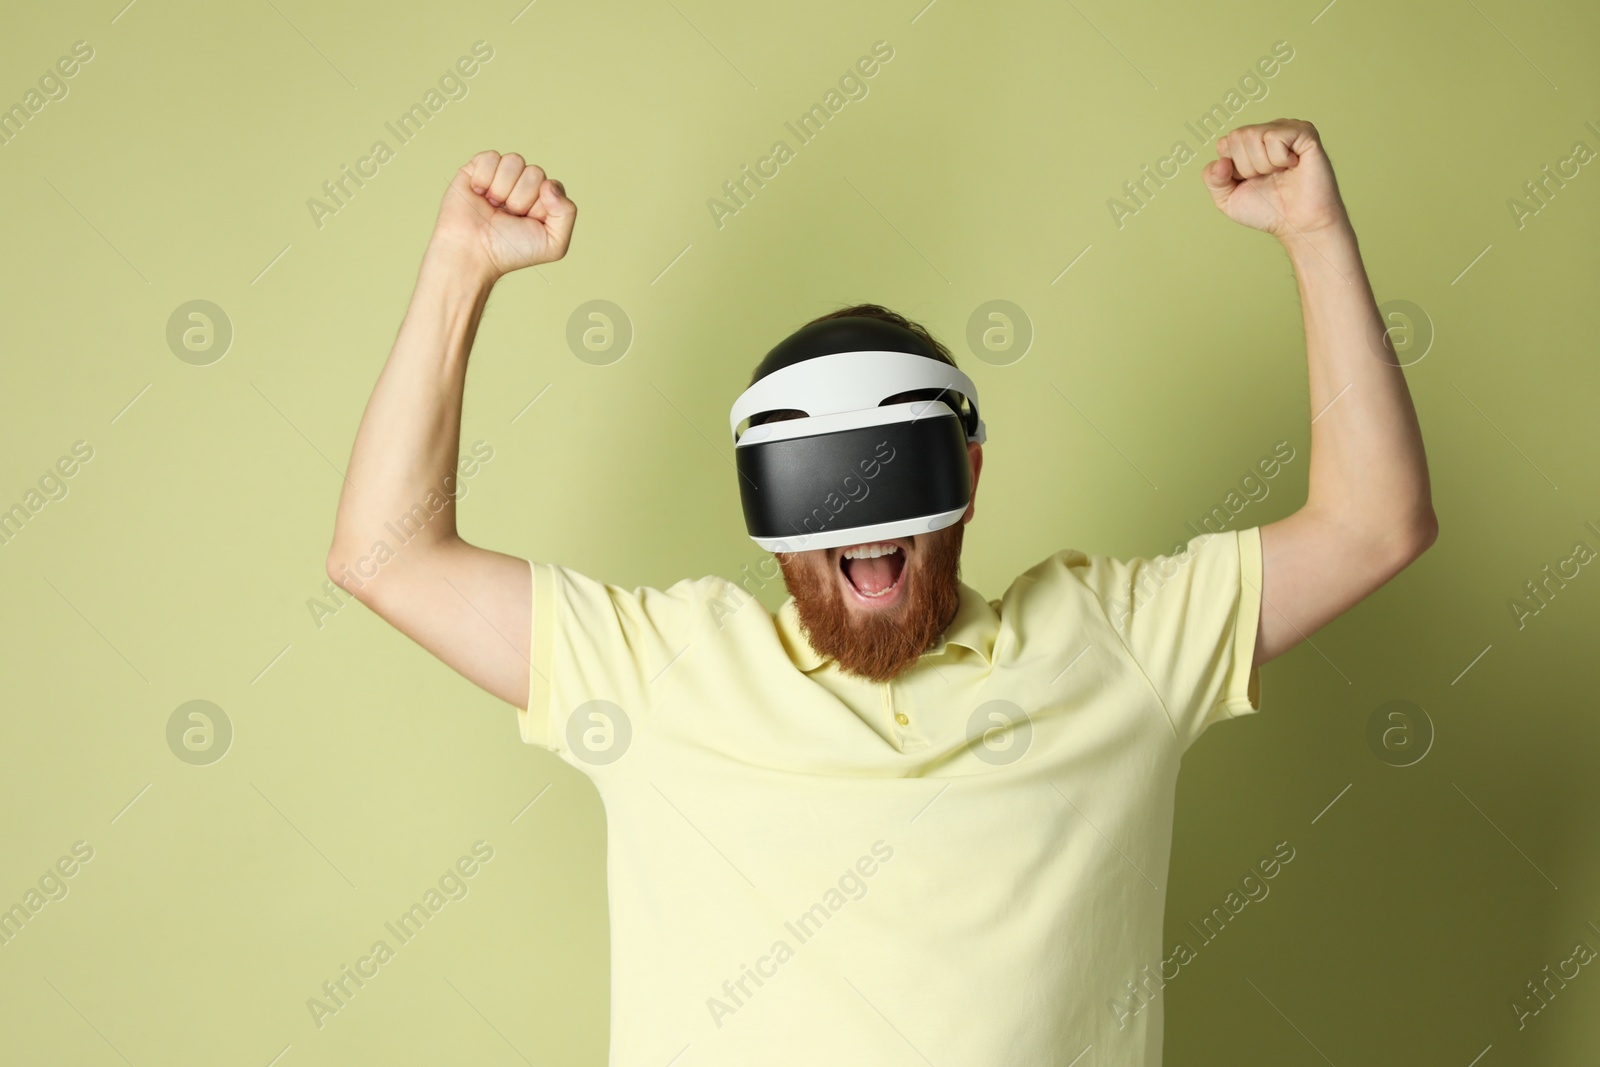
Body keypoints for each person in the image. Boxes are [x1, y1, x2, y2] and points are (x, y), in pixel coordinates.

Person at [326, 120, 1436, 1065]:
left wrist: (1315, 236)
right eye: (816, 484)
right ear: (761, 507)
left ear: (967, 480)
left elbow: (1372, 524)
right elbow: (385, 554)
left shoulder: (1116, 643)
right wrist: (459, 266)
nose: (859, 520)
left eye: (894, 473)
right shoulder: (658, 672)